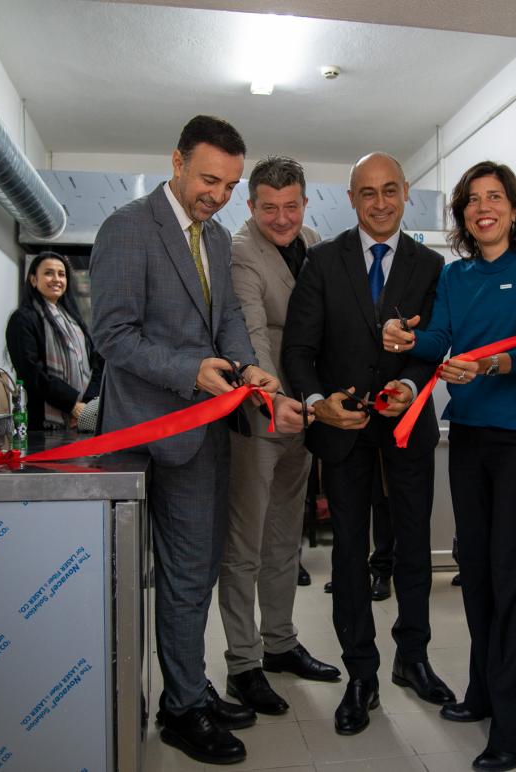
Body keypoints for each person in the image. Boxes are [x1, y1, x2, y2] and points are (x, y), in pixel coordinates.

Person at [90, 115, 304, 766]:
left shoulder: (213, 238)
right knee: (148, 580)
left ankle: (185, 693)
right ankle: (179, 706)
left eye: (231, 185)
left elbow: (228, 321)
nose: (219, 194)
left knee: (194, 573)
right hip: (141, 435)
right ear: (177, 162)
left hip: (204, 431)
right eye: (210, 179)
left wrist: (249, 369)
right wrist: (191, 371)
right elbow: (113, 335)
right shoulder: (128, 228)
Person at [382, 160, 516, 772]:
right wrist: (408, 340)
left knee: (512, 574)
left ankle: (515, 729)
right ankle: (484, 693)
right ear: (463, 214)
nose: (483, 208)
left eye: (494, 197)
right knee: (477, 568)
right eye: (472, 200)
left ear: (514, 209)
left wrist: (491, 365)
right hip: (468, 436)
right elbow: (441, 337)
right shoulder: (455, 275)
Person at [282, 152, 455, 737]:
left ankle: (413, 657)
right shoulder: (322, 261)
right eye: (367, 193)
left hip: (407, 430)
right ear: (351, 198)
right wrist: (317, 402)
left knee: (413, 550)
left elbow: (435, 344)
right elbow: (298, 351)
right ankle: (362, 675)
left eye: (389, 191)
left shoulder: (431, 266)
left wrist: (412, 385)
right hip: (344, 432)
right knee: (350, 553)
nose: (379, 203)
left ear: (405, 192)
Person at [218, 156, 340, 717]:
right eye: (270, 208)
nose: (283, 218)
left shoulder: (314, 244)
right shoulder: (241, 252)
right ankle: (243, 663)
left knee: (286, 536)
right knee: (245, 540)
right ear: (251, 206)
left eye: (292, 206)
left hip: (307, 411)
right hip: (260, 411)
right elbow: (251, 334)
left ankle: (281, 643)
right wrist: (273, 400)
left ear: (306, 203)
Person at [5, 251, 102, 434]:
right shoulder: (23, 319)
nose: (56, 279)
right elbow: (31, 372)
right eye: (48, 273)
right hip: (42, 426)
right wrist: (71, 404)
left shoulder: (75, 321)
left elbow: (96, 364)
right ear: (33, 280)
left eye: (61, 274)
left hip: (80, 421)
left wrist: (85, 406)